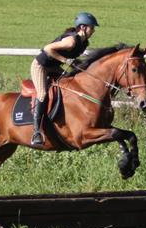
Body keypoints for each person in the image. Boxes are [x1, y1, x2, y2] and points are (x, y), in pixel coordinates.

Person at [29, 12, 99, 146]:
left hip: (54, 67)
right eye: (92, 27)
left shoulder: (84, 42)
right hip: (41, 66)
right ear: (83, 27)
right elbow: (47, 48)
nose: (93, 30)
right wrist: (66, 61)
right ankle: (36, 131)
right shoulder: (71, 41)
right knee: (43, 94)